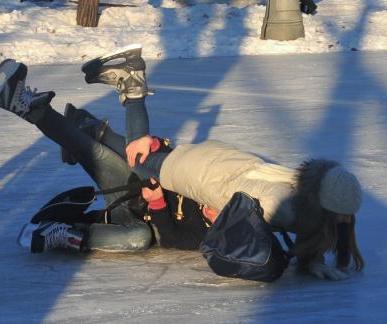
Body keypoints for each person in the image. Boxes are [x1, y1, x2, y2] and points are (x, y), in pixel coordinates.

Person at [81, 44, 365, 281]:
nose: (346, 220)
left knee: (145, 155)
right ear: (325, 205)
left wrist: (313, 261)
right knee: (139, 159)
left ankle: (87, 128)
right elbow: (242, 221)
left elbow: (311, 227)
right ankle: (132, 86)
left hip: (221, 160)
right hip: (201, 176)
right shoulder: (283, 205)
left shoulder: (301, 186)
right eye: (343, 214)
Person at [0, 57, 213, 254]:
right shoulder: (215, 184)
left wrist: (158, 202)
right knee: (113, 155)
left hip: (134, 216)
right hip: (134, 183)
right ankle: (27, 106)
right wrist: (159, 147)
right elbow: (181, 162)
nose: (213, 209)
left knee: (139, 238)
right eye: (220, 205)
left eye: (217, 217)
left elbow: (170, 239)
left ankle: (66, 234)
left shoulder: (204, 237)